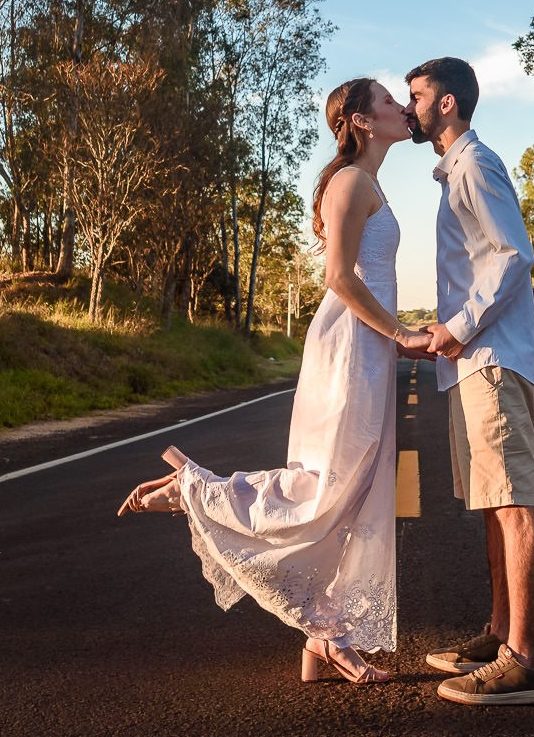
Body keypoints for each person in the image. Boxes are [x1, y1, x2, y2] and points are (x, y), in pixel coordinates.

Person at [118, 77, 430, 684]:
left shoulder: (369, 181)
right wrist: (400, 335)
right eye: (390, 101)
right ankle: (194, 491)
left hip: (367, 349)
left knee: (353, 491)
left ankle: (324, 634)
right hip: (350, 348)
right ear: (362, 121)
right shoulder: (350, 182)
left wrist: (400, 338)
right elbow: (340, 278)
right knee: (324, 490)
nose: (401, 108)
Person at [406, 56, 534, 706]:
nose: (407, 104)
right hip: (472, 361)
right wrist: (441, 336)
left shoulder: (474, 164)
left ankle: (524, 658)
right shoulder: (456, 173)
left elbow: (513, 254)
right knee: (494, 504)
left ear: (446, 104)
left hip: (491, 358)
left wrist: (459, 327)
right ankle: (499, 634)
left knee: (514, 503)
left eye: (415, 95)